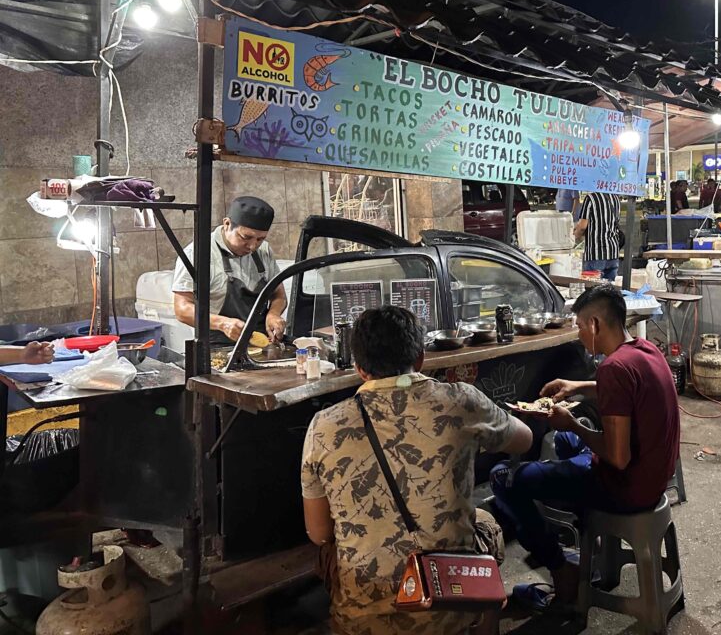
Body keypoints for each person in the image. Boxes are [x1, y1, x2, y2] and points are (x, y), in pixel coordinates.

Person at [301, 306, 532, 635]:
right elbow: (524, 440)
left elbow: (319, 533)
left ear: (359, 368)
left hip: (364, 613)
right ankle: (477, 619)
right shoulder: (462, 401)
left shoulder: (323, 426)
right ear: (421, 357)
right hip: (450, 597)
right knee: (486, 524)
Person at [489, 284, 680, 613]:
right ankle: (591, 543)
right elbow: (625, 387)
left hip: (627, 488)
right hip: (656, 478)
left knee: (504, 476)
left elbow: (618, 458)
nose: (578, 334)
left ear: (594, 325)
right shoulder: (646, 350)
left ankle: (562, 571)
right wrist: (578, 386)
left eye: (578, 326)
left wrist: (572, 423)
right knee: (564, 444)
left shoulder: (613, 369)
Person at [172, 196, 288, 345]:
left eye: (260, 239)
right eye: (246, 237)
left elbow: (279, 295)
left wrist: (273, 313)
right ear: (227, 224)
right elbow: (182, 309)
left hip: (262, 344)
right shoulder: (197, 254)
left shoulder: (264, 251)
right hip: (218, 347)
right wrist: (222, 323)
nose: (253, 246)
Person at [574, 191, 621, 281]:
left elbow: (582, 226)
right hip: (613, 252)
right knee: (609, 290)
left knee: (593, 290)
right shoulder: (615, 197)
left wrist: (573, 237)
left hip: (596, 254)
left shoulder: (590, 198)